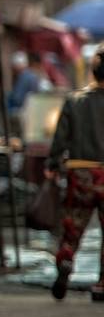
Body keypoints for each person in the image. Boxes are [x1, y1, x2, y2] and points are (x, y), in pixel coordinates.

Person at [46, 47, 104, 301]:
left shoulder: (74, 101)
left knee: (72, 226)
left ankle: (66, 263)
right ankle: (102, 285)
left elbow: (60, 139)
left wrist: (52, 163)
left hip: (80, 173)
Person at [7, 52, 49, 117]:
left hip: (24, 110)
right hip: (31, 108)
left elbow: (17, 98)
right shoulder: (30, 75)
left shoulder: (24, 77)